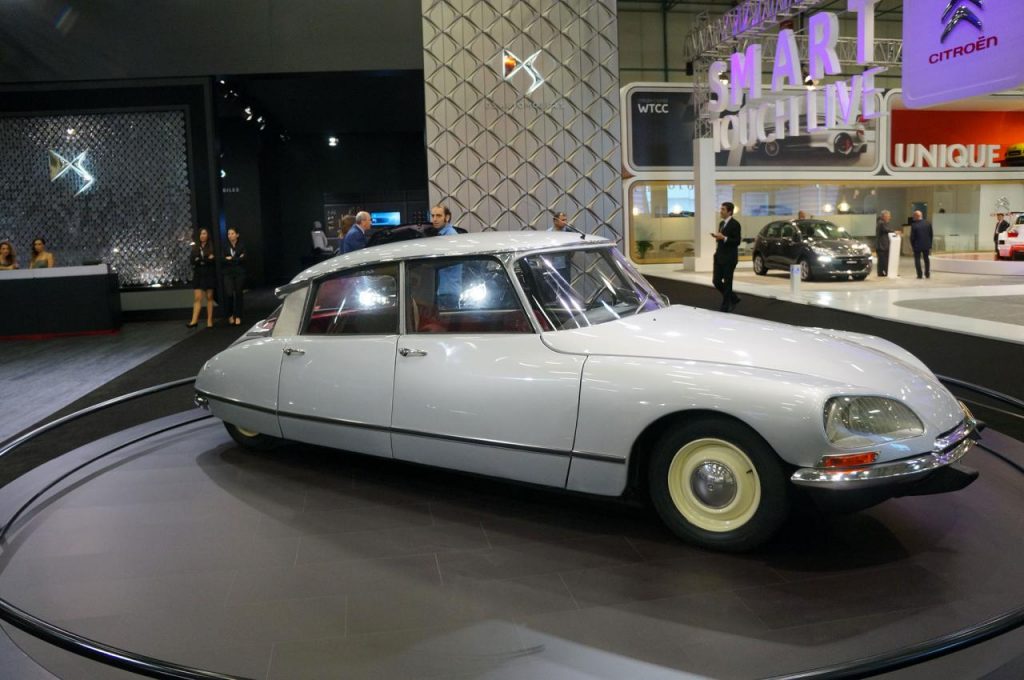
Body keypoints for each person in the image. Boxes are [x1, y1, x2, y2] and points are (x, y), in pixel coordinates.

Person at [712, 202, 741, 312]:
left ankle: (725, 306)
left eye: (723, 209)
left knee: (728, 282)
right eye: (721, 209)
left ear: (729, 212)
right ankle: (733, 298)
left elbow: (737, 241)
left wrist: (724, 238)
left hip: (729, 258)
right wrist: (718, 237)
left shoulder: (735, 224)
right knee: (716, 281)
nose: (721, 211)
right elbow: (722, 239)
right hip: (719, 256)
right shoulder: (721, 224)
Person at [188, 227, 216, 328]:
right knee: (197, 298)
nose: (202, 236)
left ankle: (209, 320)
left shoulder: (212, 246)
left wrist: (200, 260)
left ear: (207, 235)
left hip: (209, 274)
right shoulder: (195, 247)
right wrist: (204, 259)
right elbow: (192, 261)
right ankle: (194, 321)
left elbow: (212, 260)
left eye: (204, 234)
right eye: (201, 234)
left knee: (209, 297)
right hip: (198, 274)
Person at [222, 227, 246, 326]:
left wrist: (231, 259)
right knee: (229, 294)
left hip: (239, 273)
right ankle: (230, 314)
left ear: (237, 235)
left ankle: (238, 316)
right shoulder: (225, 246)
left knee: (239, 293)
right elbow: (223, 259)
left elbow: (244, 259)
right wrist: (237, 258)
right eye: (228, 234)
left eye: (232, 233)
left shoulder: (242, 245)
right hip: (228, 273)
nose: (230, 235)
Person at [909, 210, 933, 279]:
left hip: (917, 245)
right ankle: (927, 274)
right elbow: (931, 234)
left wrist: (912, 245)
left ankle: (919, 274)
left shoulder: (914, 225)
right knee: (926, 259)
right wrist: (930, 243)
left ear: (916, 216)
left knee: (917, 259)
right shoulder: (928, 223)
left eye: (914, 216)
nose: (913, 217)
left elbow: (912, 237)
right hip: (926, 244)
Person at [875, 209, 896, 277]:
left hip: (882, 246)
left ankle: (881, 273)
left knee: (882, 261)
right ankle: (885, 272)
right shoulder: (881, 223)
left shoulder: (881, 222)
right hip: (882, 246)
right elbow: (887, 230)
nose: (889, 218)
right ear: (884, 216)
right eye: (888, 216)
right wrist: (895, 232)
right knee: (884, 261)